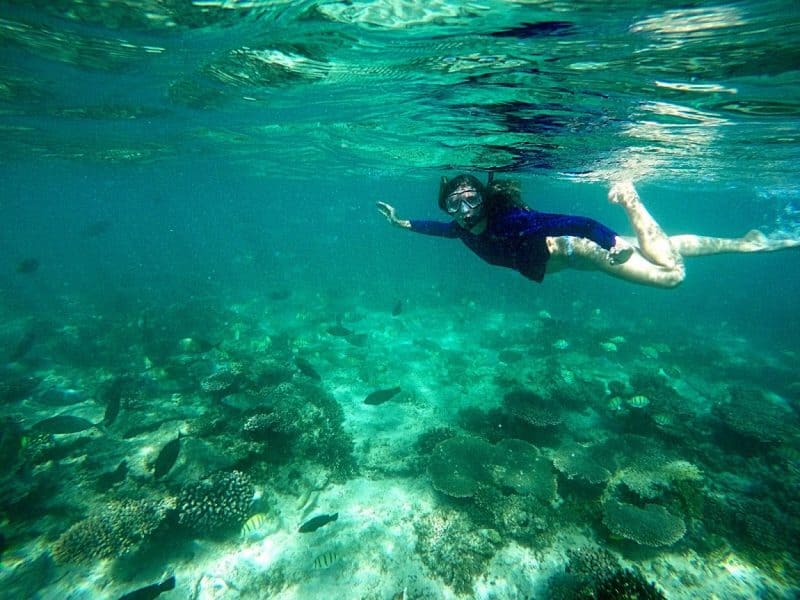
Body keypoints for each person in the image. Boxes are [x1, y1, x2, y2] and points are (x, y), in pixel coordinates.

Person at [377, 174, 799, 289]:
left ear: (484, 199)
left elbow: (576, 223)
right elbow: (441, 230)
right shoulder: (463, 230)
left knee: (671, 275)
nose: (463, 210)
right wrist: (402, 224)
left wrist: (609, 242)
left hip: (586, 251)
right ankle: (747, 244)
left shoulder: (511, 221)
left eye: (471, 200)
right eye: (455, 204)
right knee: (662, 247)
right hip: (578, 255)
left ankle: (631, 200)